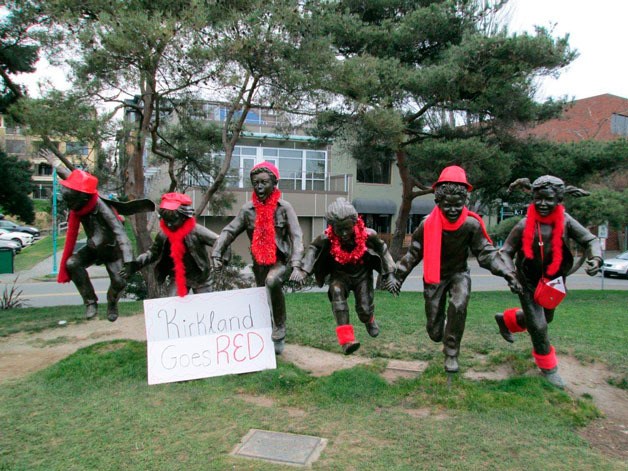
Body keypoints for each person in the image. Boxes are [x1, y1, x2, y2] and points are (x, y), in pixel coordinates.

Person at [395, 166, 521, 373]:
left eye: (458, 205)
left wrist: (508, 273)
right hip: (434, 277)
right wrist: (398, 276)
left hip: (459, 274)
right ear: (438, 202)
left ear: (465, 202)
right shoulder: (427, 225)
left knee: (459, 303)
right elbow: (414, 253)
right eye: (448, 205)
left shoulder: (471, 225)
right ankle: (445, 326)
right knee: (435, 332)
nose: (453, 210)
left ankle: (452, 352)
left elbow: (486, 253)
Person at [494, 175, 602, 388]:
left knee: (544, 320)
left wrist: (595, 258)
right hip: (526, 282)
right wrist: (510, 274)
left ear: (559, 200)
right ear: (532, 198)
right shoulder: (525, 224)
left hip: (553, 283)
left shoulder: (566, 222)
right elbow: (505, 252)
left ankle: (507, 320)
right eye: (538, 199)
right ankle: (548, 369)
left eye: (549, 199)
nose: (543, 204)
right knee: (539, 327)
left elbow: (590, 240)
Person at [211, 162, 303, 355]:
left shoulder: (284, 207)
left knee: (272, 281)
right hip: (259, 263)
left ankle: (279, 327)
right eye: (255, 183)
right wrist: (217, 252)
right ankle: (264, 337)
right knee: (262, 298)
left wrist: (296, 265)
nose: (259, 187)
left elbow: (296, 236)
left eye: (264, 182)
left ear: (274, 183)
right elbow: (229, 231)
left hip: (280, 261)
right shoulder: (248, 210)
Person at [291, 198, 398, 354]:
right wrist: (304, 271)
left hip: (362, 275)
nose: (344, 233)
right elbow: (313, 248)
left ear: (355, 223)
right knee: (336, 291)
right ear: (332, 227)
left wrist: (390, 274)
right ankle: (347, 341)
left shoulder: (369, 235)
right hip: (339, 276)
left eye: (347, 228)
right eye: (338, 229)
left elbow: (382, 249)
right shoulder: (326, 238)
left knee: (364, 309)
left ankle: (369, 320)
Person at [57, 170, 136, 321]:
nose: (69, 205)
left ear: (83, 197)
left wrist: (128, 260)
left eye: (70, 201)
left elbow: (120, 233)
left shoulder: (102, 208)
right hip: (93, 248)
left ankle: (112, 303)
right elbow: (74, 178)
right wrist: (56, 164)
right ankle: (90, 302)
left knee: (119, 282)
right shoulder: (80, 201)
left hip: (112, 250)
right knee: (72, 263)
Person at [120, 193, 223, 297]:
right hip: (178, 277)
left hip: (201, 277)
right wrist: (136, 264)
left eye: (173, 220)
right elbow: (152, 253)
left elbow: (220, 241)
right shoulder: (163, 235)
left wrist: (217, 256)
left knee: (206, 306)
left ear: (184, 217)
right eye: (166, 220)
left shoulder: (196, 231)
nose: (169, 224)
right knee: (173, 304)